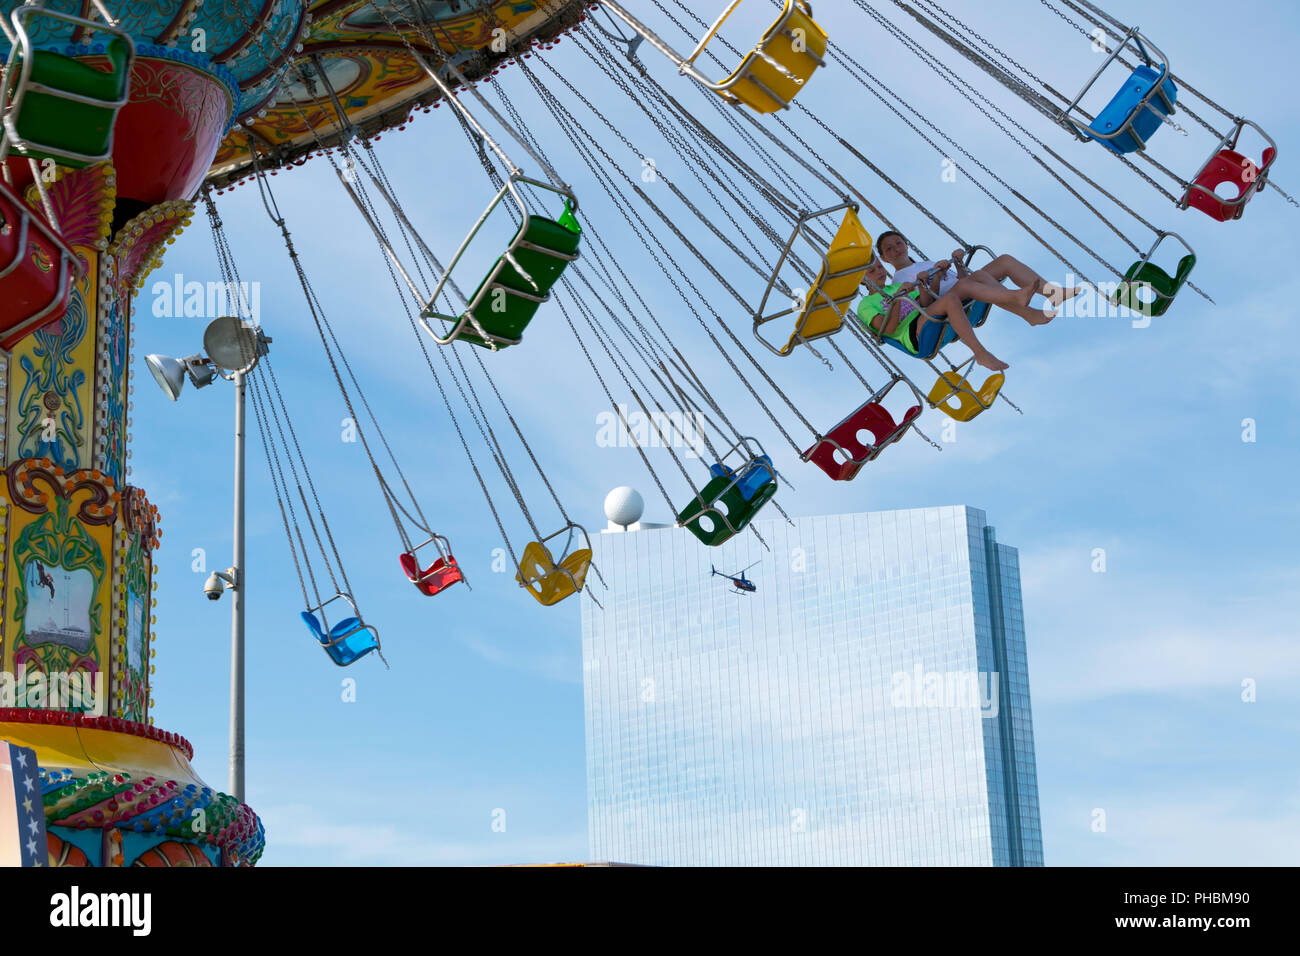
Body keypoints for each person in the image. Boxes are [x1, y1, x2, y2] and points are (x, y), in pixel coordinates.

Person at [875, 231, 1083, 324]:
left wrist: (956, 262)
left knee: (1004, 261)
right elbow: (928, 300)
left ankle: (1052, 293)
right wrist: (935, 276)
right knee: (980, 277)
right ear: (884, 258)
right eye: (889, 249)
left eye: (898, 243)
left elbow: (961, 278)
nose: (895, 249)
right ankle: (1026, 310)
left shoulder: (925, 263)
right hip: (948, 302)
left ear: (906, 244)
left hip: (965, 286)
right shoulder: (899, 282)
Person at [859, 257, 1009, 371]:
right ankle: (980, 353)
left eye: (880, 267)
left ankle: (1020, 304)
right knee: (950, 299)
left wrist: (925, 283)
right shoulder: (865, 305)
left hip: (926, 316)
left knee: (974, 278)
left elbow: (926, 303)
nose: (879, 271)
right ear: (861, 280)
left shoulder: (896, 286)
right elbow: (889, 329)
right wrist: (897, 298)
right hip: (911, 334)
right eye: (872, 271)